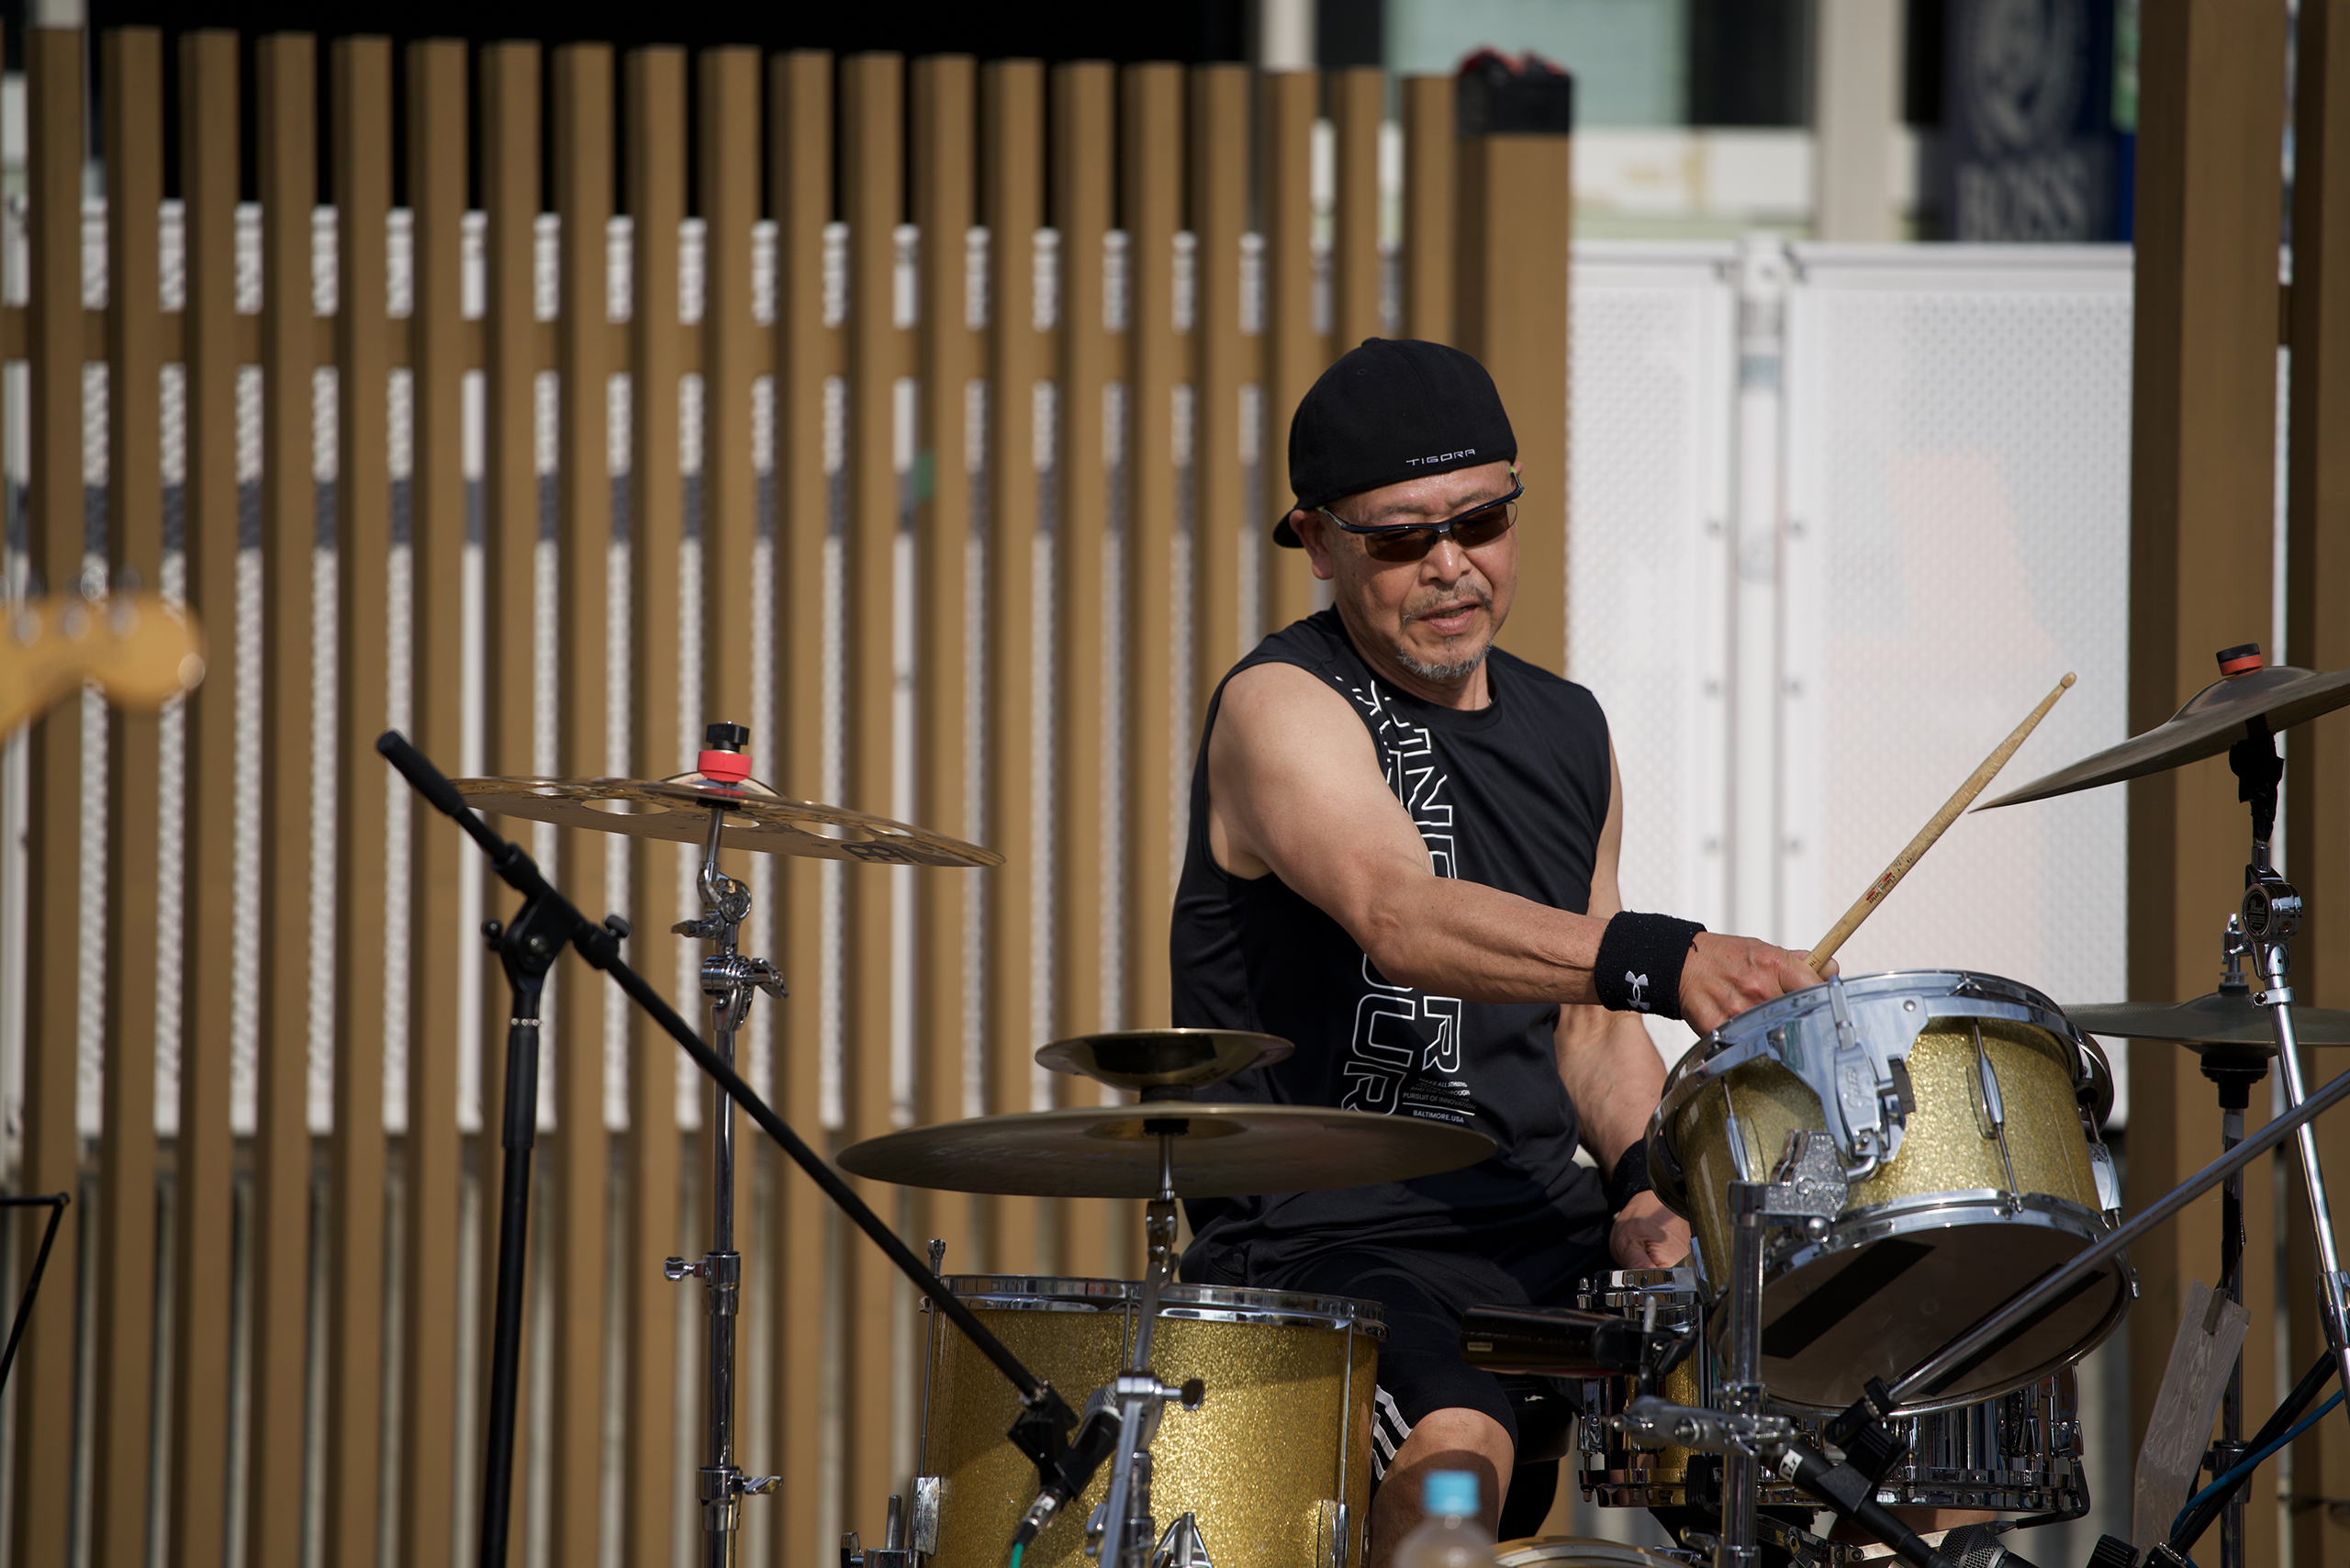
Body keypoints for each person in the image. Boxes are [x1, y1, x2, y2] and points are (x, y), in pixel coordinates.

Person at [1168, 338, 1823, 1561]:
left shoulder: (1572, 728)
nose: (1451, 564)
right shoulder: (1280, 704)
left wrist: (1641, 1185)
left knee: (1844, 1403)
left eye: (1480, 521)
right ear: (1317, 543)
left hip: (1540, 1218)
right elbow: (1398, 913)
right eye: (1402, 538)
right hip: (1331, 1235)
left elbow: (1590, 1031)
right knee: (1458, 1463)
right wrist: (1663, 955)